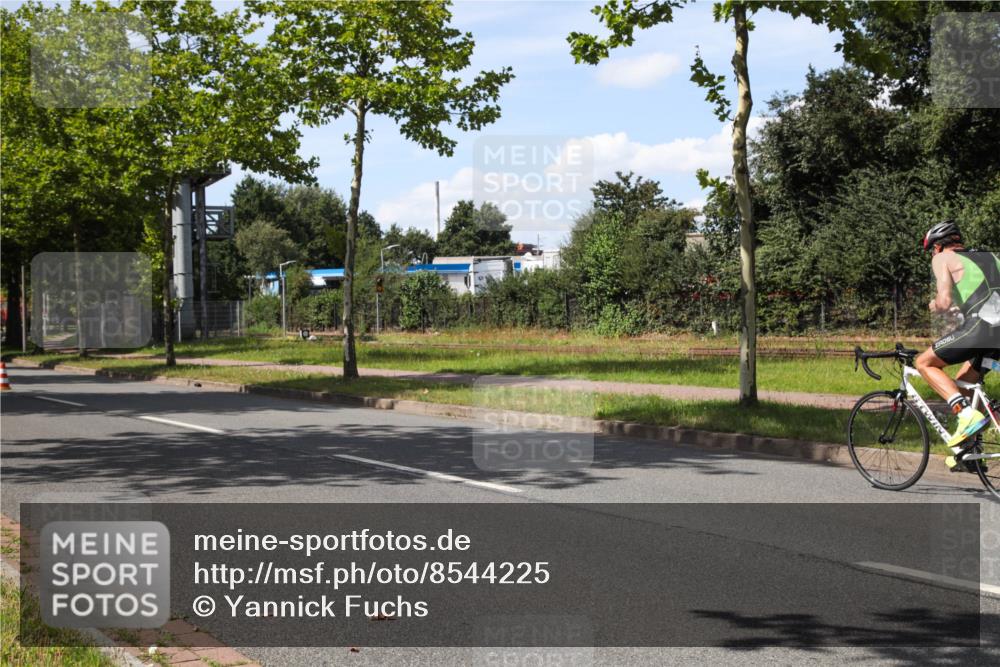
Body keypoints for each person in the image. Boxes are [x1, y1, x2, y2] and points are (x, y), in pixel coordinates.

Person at [914, 220, 1000, 471]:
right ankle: (970, 454)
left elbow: (943, 301)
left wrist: (934, 304)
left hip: (982, 328)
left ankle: (965, 414)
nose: (932, 254)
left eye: (932, 249)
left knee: (923, 362)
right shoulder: (991, 257)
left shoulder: (942, 259)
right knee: (964, 381)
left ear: (939, 245)